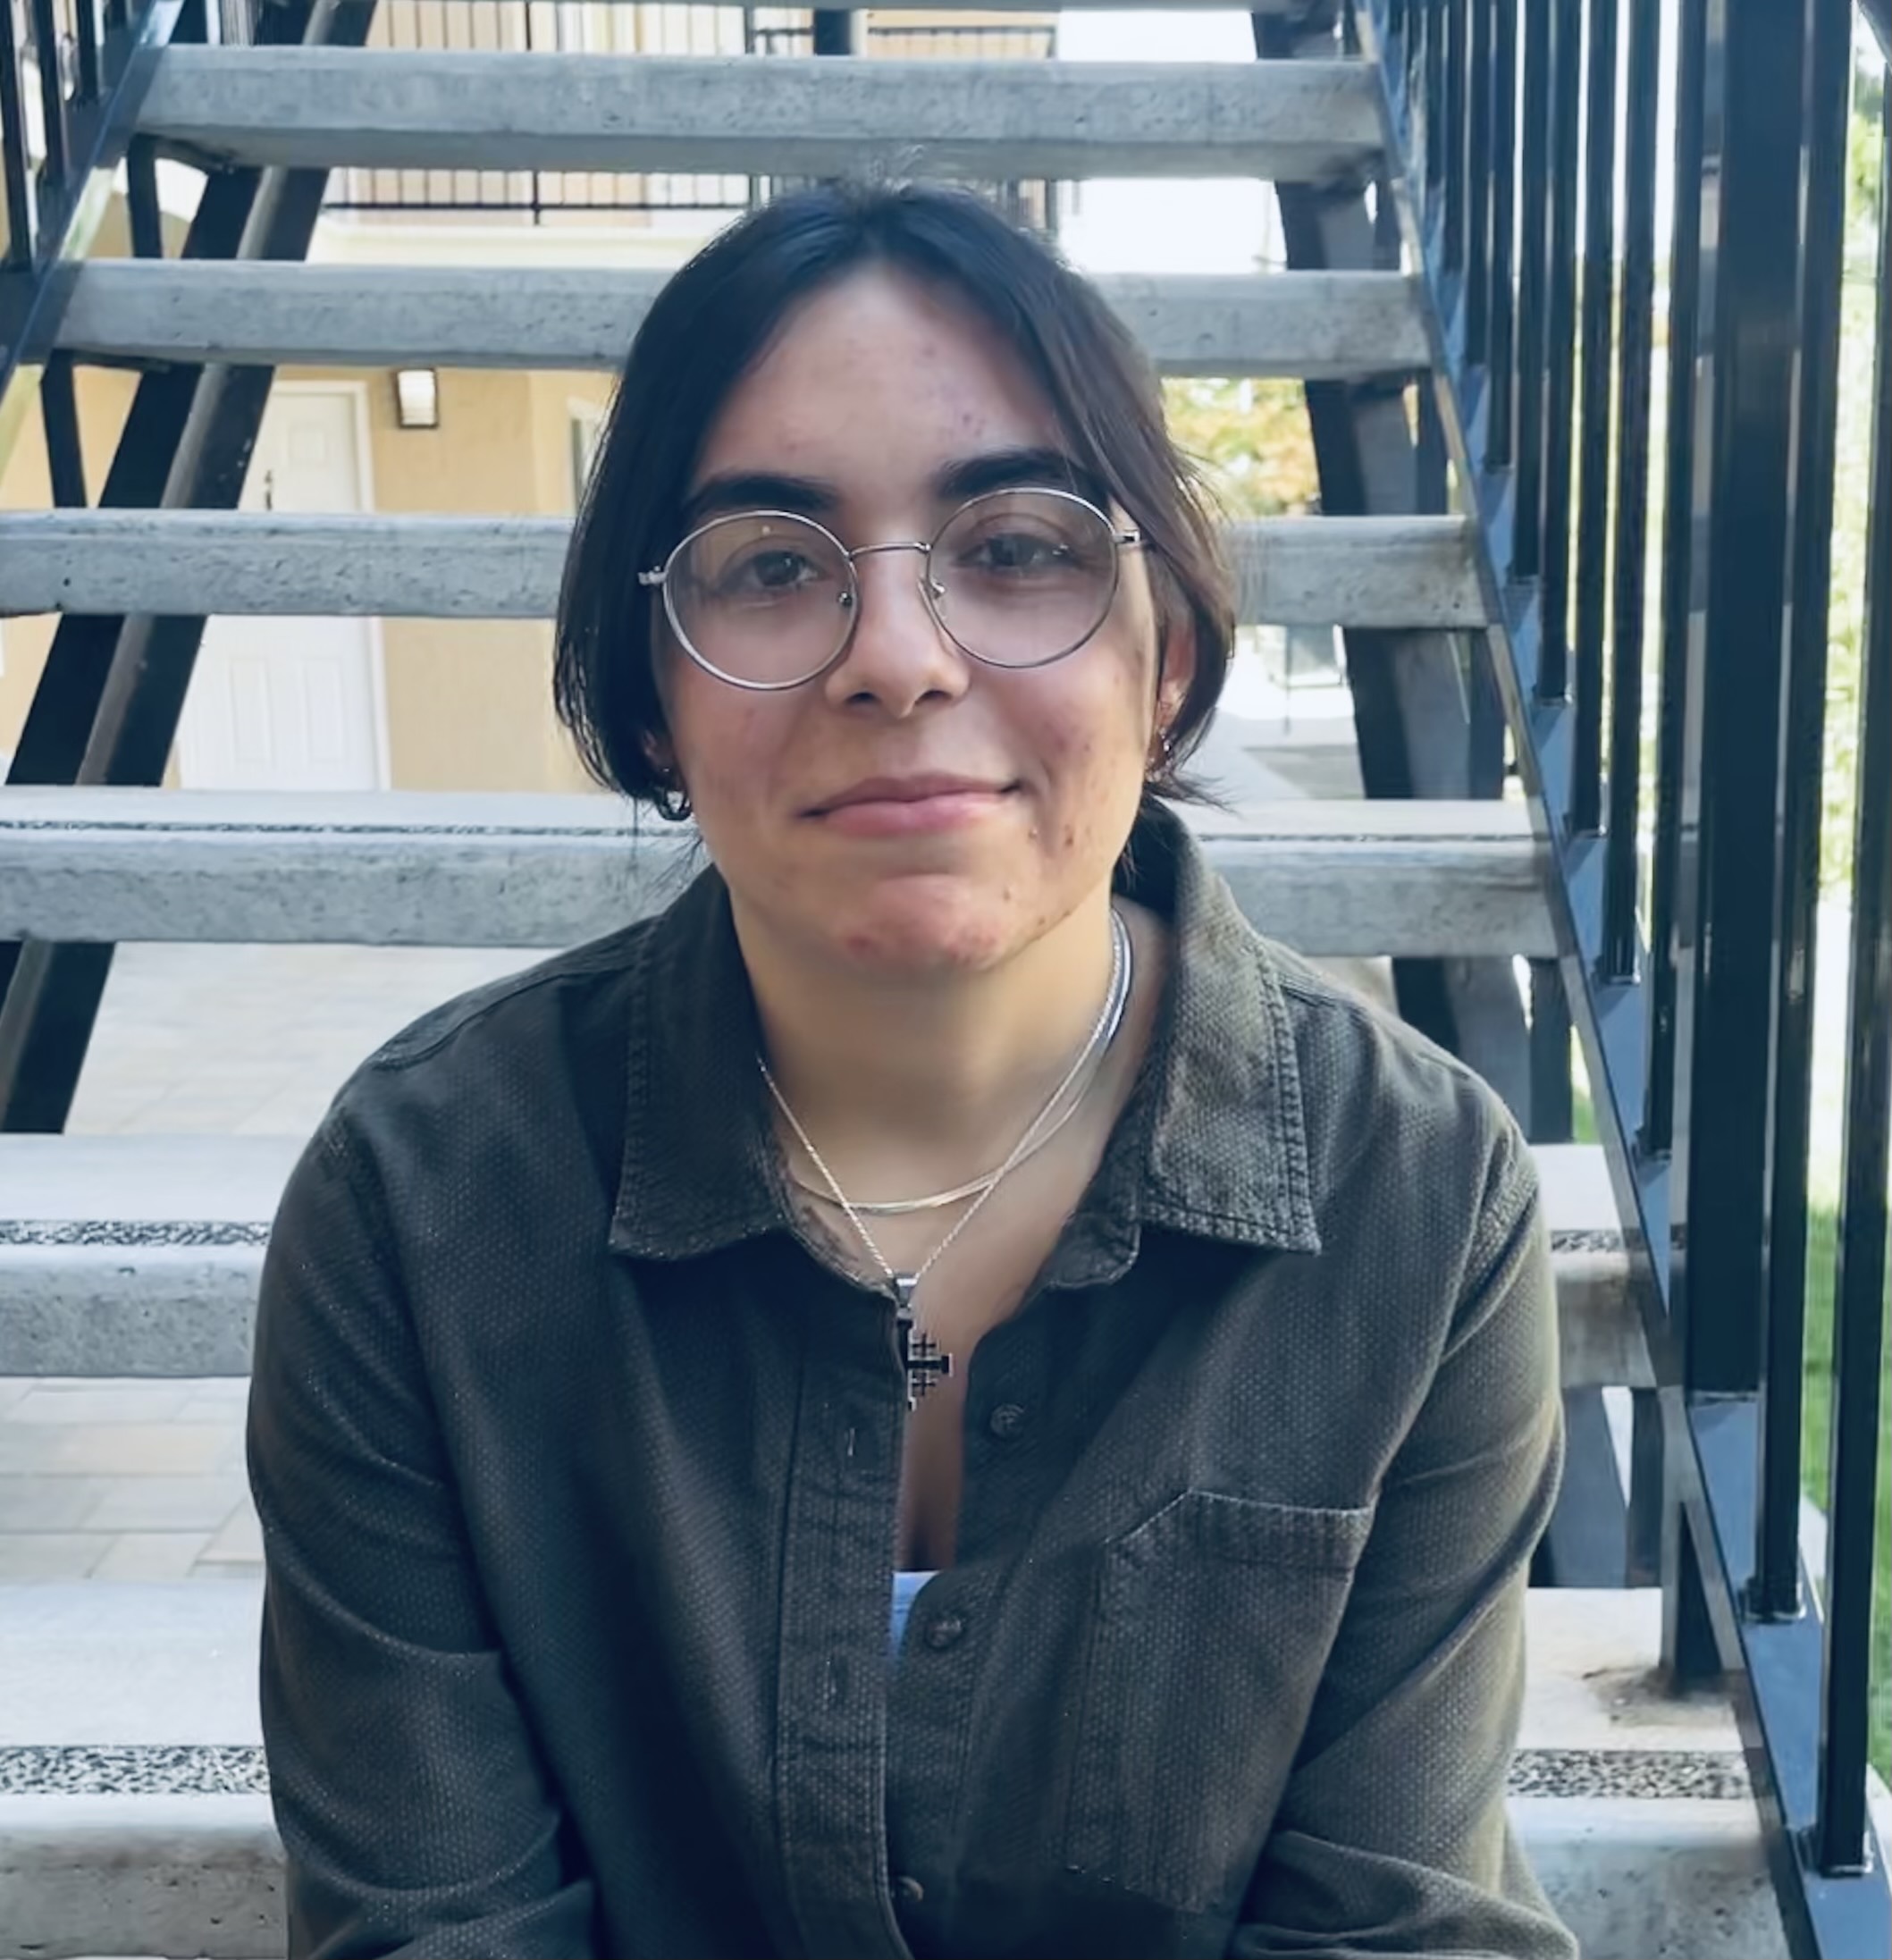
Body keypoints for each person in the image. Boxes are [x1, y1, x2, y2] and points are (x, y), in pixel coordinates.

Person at [248, 181, 1574, 1960]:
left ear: (1165, 657)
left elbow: (1397, 1937)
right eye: (775, 566)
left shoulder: (1418, 1202)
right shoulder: (419, 1206)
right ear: (651, 692)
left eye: (1019, 545)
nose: (898, 655)